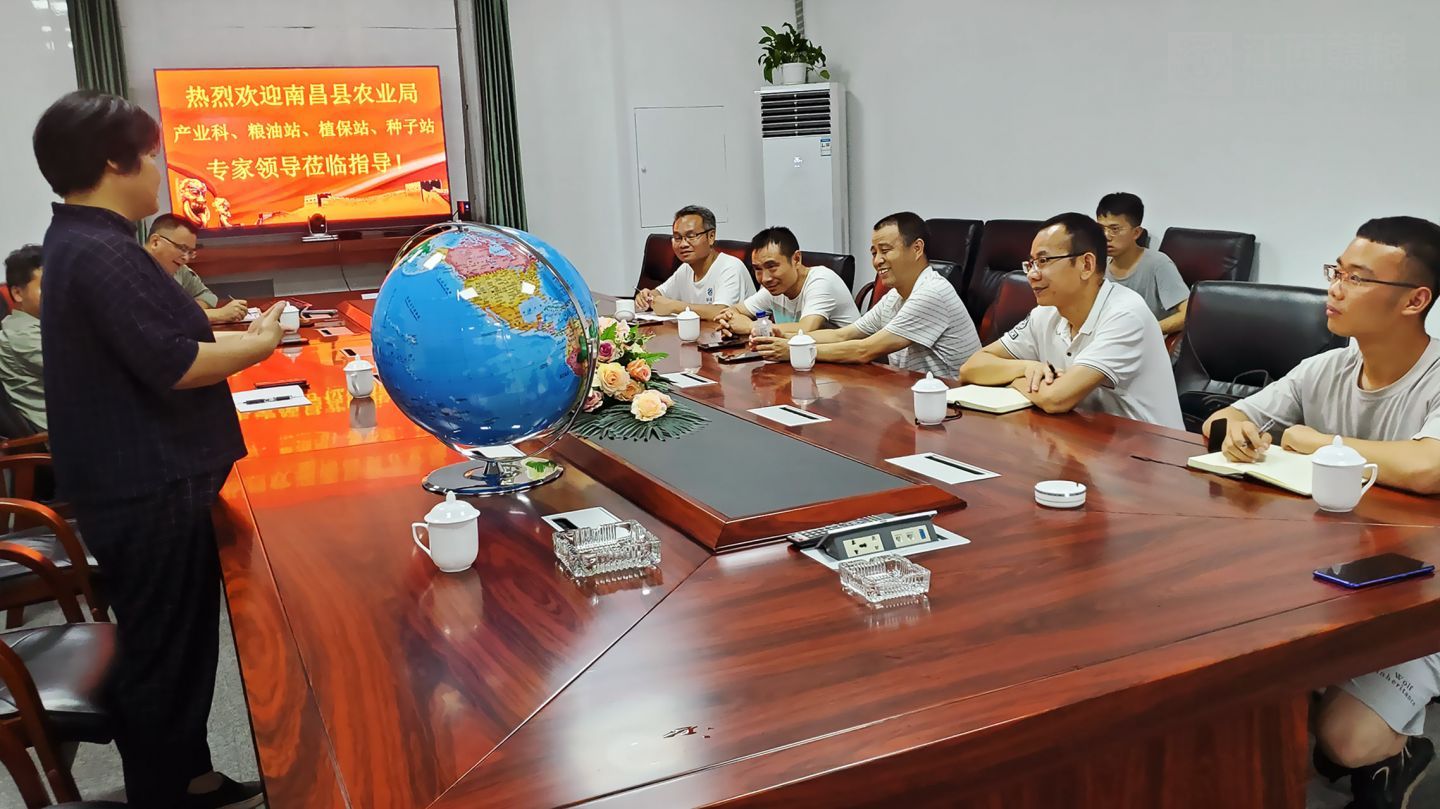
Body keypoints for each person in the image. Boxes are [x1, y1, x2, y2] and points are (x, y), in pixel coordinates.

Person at [33, 89, 283, 809]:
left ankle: (190, 777)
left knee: (177, 643)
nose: (158, 170)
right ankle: (164, 792)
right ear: (114, 162)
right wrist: (261, 343)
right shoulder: (102, 250)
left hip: (143, 480)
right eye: (149, 156)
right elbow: (173, 362)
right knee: (164, 651)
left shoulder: (87, 241)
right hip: (146, 486)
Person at [1202, 217, 1440, 808]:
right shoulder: (1326, 367)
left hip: (1419, 591)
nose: (1334, 288)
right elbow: (1225, 418)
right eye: (1337, 271)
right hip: (1331, 577)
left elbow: (1428, 468)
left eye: (1357, 278)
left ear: (1415, 300)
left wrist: (1319, 443)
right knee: (1230, 673)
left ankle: (1402, 751)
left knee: (1345, 741)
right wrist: (1235, 429)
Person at [958, 212, 1183, 429]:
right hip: (1085, 436)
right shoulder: (1045, 313)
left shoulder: (1125, 314)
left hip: (1148, 447)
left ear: (1086, 265)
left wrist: (1010, 380)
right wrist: (1027, 367)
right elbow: (971, 368)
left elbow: (1056, 399)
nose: (1032, 275)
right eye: (1031, 263)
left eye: (1043, 261)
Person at [751, 212, 980, 377]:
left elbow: (864, 350)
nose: (877, 260)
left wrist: (794, 351)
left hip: (954, 406)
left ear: (917, 249)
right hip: (910, 392)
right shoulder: (895, 297)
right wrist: (786, 337)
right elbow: (844, 335)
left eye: (885, 250)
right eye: (873, 252)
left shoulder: (931, 293)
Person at [714, 226, 858, 336]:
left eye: (772, 266)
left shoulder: (821, 281)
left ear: (796, 259)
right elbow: (735, 310)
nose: (765, 278)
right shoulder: (775, 288)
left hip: (848, 361)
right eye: (758, 269)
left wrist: (751, 326)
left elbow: (805, 329)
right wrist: (728, 321)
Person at [635, 204, 756, 319]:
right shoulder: (686, 268)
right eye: (677, 238)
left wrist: (674, 306)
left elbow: (721, 311)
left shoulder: (730, 268)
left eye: (691, 236)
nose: (683, 244)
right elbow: (660, 293)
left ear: (711, 236)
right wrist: (646, 296)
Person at [1096, 192, 1189, 337]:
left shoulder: (1158, 264)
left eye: (1115, 229)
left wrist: (1145, 331)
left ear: (1136, 233)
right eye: (1101, 229)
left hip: (1147, 342)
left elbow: (1187, 314)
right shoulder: (1097, 266)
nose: (1106, 236)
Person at [144, 213, 249, 324]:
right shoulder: (134, 271)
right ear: (155, 242)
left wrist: (190, 311)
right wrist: (217, 314)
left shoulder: (177, 268)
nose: (186, 258)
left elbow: (207, 296)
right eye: (182, 248)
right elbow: (156, 319)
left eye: (190, 252)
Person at [0, 245, 46, 432]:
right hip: (65, 436)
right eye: (46, 286)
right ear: (17, 293)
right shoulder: (21, 336)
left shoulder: (48, 327)